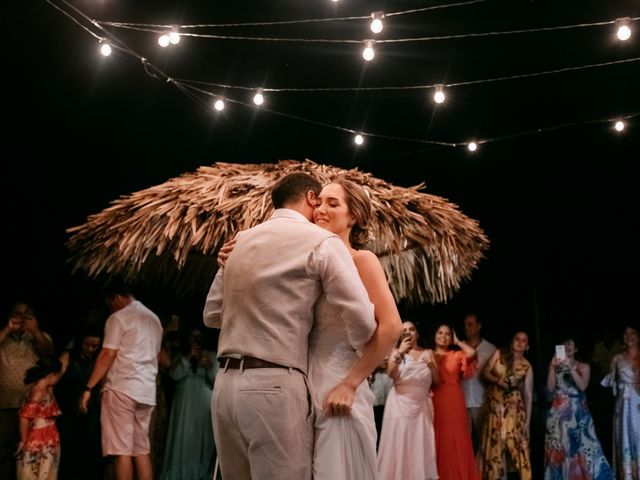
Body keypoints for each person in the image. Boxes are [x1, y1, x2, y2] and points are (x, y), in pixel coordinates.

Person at [205, 172, 401, 480]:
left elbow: (389, 327)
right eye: (320, 202)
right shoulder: (311, 254)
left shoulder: (362, 260)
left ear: (354, 217)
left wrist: (351, 381)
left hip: (335, 384)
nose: (321, 209)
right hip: (296, 386)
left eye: (333, 204)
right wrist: (230, 261)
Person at [80, 280, 163, 480]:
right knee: (141, 449)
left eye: (110, 304)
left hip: (122, 388)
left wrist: (88, 387)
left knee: (121, 450)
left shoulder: (119, 318)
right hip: (146, 390)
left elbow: (108, 353)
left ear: (116, 298)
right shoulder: (154, 319)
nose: (110, 308)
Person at [543, 335, 613, 480]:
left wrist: (571, 368)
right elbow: (550, 387)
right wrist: (551, 367)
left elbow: (583, 386)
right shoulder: (556, 365)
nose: (567, 347)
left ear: (576, 348)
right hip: (558, 413)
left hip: (578, 413)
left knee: (585, 447)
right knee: (559, 447)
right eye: (565, 344)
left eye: (570, 345)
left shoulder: (584, 366)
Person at [377, 320, 439, 480]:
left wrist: (432, 366)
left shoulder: (428, 353)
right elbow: (391, 374)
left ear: (417, 333)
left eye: (412, 329)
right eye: (404, 330)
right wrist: (400, 353)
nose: (409, 332)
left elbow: (437, 381)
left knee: (419, 443)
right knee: (400, 443)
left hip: (421, 407)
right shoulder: (396, 352)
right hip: (400, 404)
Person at [0, 303, 54, 480]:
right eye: (18, 314)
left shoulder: (39, 337)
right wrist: (8, 329)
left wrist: (36, 332)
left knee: (31, 453)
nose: (22, 318)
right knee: (4, 452)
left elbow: (50, 354)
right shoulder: (4, 336)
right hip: (5, 405)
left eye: (27, 314)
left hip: (33, 409)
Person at [161, 328, 218, 480]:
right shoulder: (181, 355)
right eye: (193, 337)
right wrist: (188, 357)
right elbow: (174, 375)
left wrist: (209, 366)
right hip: (184, 402)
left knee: (202, 441)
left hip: (203, 401)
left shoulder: (212, 355)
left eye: (198, 337)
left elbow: (218, 382)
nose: (196, 340)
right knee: (183, 438)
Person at [479, 331, 534, 480]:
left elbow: (528, 395)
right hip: (496, 408)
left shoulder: (527, 366)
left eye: (524, 340)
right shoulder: (499, 354)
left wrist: (527, 423)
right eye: (517, 338)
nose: (520, 342)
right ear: (512, 341)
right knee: (495, 448)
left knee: (516, 448)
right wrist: (498, 381)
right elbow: (485, 372)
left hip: (514, 412)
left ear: (527, 346)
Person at [55, 326, 104, 480]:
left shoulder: (100, 358)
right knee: (68, 448)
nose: (90, 349)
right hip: (68, 408)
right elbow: (55, 378)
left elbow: (103, 384)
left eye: (94, 346)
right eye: (87, 344)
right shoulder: (68, 355)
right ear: (80, 342)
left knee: (90, 448)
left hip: (91, 410)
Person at [431, 322, 479, 480]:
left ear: (451, 338)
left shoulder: (456, 354)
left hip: (455, 400)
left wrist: (458, 342)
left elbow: (472, 353)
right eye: (440, 333)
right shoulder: (428, 354)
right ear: (434, 335)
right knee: (440, 437)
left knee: (458, 437)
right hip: (436, 399)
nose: (443, 337)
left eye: (447, 334)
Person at [601, 324, 640, 480]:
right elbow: (610, 382)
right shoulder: (617, 358)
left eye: (632, 333)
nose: (629, 336)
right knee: (624, 438)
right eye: (626, 333)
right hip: (624, 406)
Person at [16, 356, 62, 480]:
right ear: (52, 375)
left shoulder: (47, 389)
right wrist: (23, 441)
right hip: (39, 439)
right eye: (58, 375)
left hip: (48, 438)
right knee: (36, 473)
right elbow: (24, 417)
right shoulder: (38, 392)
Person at [461, 313, 496, 453]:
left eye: (470, 324)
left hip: (482, 401)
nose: (466, 328)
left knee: (483, 442)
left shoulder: (490, 349)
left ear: (479, 326)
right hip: (462, 402)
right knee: (466, 444)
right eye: (465, 325)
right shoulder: (460, 348)